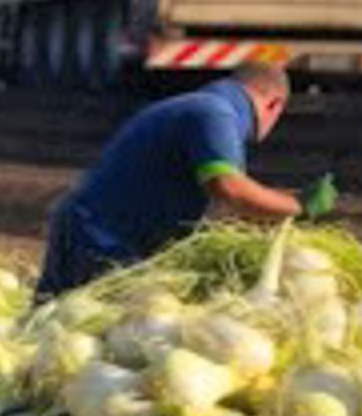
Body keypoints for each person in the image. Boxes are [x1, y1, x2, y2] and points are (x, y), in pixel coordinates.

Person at [34, 61, 337, 301]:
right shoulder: (215, 114)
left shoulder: (196, 106)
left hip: (89, 230)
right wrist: (298, 204)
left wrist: (279, 203)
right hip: (104, 243)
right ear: (274, 105)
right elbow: (229, 189)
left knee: (44, 341)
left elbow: (224, 201)